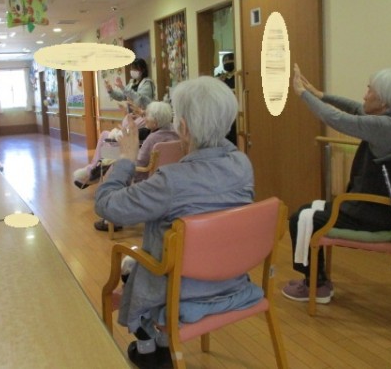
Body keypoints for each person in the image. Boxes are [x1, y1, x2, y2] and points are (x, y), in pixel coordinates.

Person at [95, 76, 259, 369]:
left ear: (182, 127)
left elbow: (106, 206)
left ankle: (149, 344)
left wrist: (127, 158)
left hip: (182, 290)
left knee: (134, 263)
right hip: (232, 280)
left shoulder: (171, 181)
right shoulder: (243, 165)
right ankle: (161, 343)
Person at [282, 64, 391, 304]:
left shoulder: (384, 127)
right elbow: (355, 108)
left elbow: (337, 119)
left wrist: (302, 94)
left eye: (370, 90)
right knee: (306, 212)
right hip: (384, 211)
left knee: (300, 217)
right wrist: (320, 95)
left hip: (371, 215)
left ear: (383, 101)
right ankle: (317, 280)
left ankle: (316, 285)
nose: (365, 95)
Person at [92, 101, 179, 232]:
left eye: (147, 116)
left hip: (146, 176)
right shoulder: (175, 133)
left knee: (115, 168)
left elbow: (139, 162)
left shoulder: (153, 138)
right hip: (167, 176)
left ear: (155, 122)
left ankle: (111, 219)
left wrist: (125, 157)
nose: (145, 119)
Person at [73, 95, 152, 190]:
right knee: (105, 137)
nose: (133, 108)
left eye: (135, 106)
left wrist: (128, 119)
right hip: (122, 145)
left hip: (128, 149)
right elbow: (124, 129)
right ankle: (94, 170)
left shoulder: (143, 120)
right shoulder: (133, 116)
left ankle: (93, 170)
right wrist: (127, 115)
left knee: (105, 144)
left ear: (142, 107)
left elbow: (127, 132)